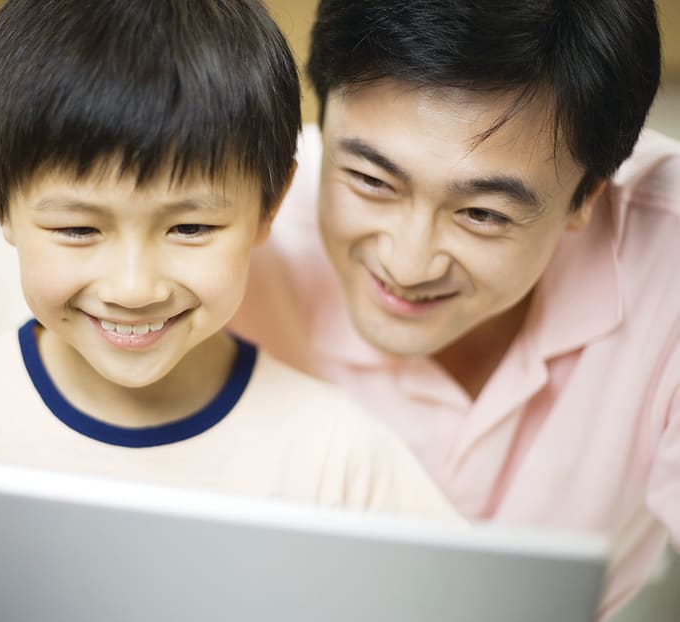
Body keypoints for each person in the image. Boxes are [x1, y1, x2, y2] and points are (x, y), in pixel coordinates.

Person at [0, 0, 458, 521]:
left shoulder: (340, 460)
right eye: (79, 228)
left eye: (191, 227)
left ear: (269, 205)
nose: (134, 287)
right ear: (1, 206)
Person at [230, 0, 680, 618]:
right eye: (371, 180)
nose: (410, 265)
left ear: (587, 196)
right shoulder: (222, 227)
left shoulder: (668, 254)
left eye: (482, 214)